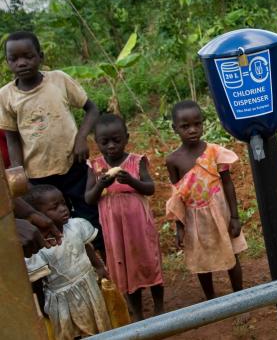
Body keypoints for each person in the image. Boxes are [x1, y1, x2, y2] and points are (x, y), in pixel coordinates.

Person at [0, 31, 102, 249]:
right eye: (14, 59)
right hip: (39, 179)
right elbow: (12, 137)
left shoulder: (59, 80)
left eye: (28, 56)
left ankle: (103, 268)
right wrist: (19, 176)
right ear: (7, 62)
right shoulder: (6, 96)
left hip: (72, 166)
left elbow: (92, 109)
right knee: (53, 226)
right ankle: (70, 268)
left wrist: (81, 138)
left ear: (41, 56)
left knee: (90, 218)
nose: (22, 63)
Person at [85, 113, 164, 321]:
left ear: (126, 138)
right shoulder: (94, 167)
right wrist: (101, 184)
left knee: (149, 261)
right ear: (97, 143)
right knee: (124, 266)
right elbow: (89, 199)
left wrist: (131, 181)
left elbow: (149, 188)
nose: (111, 146)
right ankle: (137, 314)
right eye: (105, 142)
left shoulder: (136, 162)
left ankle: (159, 308)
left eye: (116, 140)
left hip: (139, 225)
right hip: (114, 229)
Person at [165, 100, 246, 300]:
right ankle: (211, 299)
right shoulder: (173, 160)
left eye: (197, 124)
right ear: (175, 128)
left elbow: (228, 183)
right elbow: (177, 196)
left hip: (220, 211)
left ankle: (240, 297)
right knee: (201, 260)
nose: (192, 130)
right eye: (185, 126)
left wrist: (234, 217)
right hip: (194, 217)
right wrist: (180, 227)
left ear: (203, 124)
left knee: (231, 255)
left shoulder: (215, 152)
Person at [23, 185, 111, 339]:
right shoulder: (38, 247)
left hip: (88, 285)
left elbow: (86, 246)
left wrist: (99, 266)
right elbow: (37, 281)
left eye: (63, 203)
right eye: (55, 207)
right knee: (71, 332)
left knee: (98, 321)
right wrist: (44, 306)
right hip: (62, 298)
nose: (63, 209)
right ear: (37, 215)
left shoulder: (76, 226)